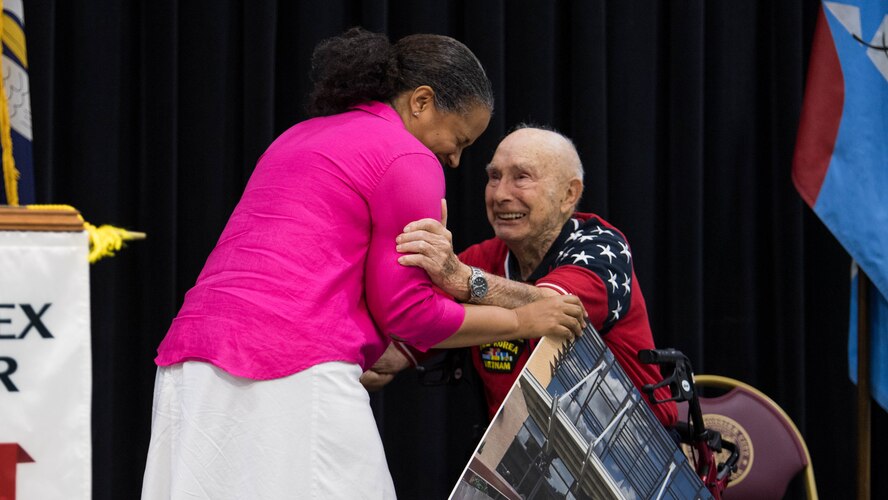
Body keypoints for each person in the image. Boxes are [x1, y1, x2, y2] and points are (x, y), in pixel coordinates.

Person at [141, 29, 586, 499]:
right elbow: (410, 315)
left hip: (189, 363)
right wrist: (520, 318)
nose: (455, 160)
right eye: (459, 139)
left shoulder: (300, 134)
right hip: (287, 371)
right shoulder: (408, 156)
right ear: (421, 101)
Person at [374, 125, 678, 428]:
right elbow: (390, 358)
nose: (501, 194)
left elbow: (556, 307)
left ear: (568, 194)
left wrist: (462, 279)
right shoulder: (481, 259)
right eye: (494, 177)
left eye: (521, 177)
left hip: (632, 457)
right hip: (526, 463)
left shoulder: (600, 247)